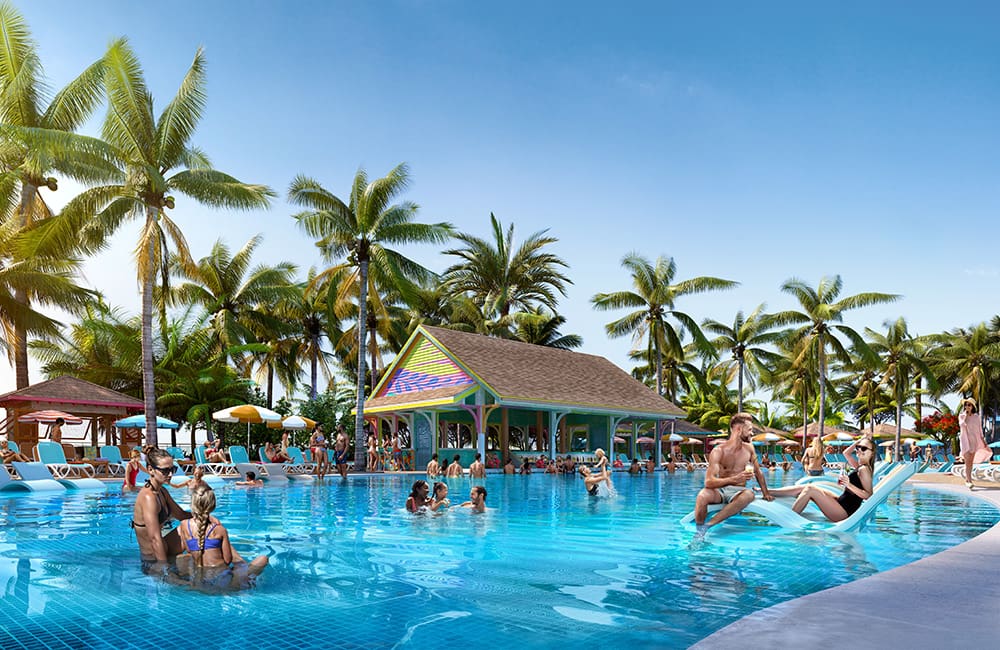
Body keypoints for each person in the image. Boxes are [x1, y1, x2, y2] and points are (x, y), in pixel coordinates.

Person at [693, 413, 773, 536]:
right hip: (720, 490)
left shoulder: (749, 449)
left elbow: (758, 472)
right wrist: (734, 479)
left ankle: (708, 525)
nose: (752, 433)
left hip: (739, 492)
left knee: (749, 494)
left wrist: (765, 493)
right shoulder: (719, 451)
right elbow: (708, 482)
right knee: (702, 496)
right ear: (739, 429)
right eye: (750, 430)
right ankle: (698, 533)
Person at [177, 484, 268, 589]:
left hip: (200, 579)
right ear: (213, 505)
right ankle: (241, 583)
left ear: (192, 504)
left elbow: (188, 550)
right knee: (262, 559)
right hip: (222, 578)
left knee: (181, 557)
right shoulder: (219, 529)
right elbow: (228, 560)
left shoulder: (184, 525)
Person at [768, 437, 876, 521]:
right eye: (859, 447)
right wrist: (859, 441)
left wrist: (849, 485)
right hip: (841, 503)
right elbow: (846, 453)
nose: (859, 450)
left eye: (864, 448)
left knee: (809, 489)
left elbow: (868, 496)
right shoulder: (860, 467)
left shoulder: (864, 470)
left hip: (843, 512)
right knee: (807, 487)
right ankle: (768, 491)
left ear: (872, 453)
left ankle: (789, 519)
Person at [132, 448, 202, 571]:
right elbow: (154, 538)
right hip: (153, 560)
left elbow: (181, 515)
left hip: (166, 549)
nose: (170, 474)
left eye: (172, 469)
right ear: (150, 470)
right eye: (165, 471)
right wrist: (164, 568)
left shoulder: (162, 491)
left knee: (196, 524)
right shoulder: (148, 498)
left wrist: (206, 517)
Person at [959, 398, 991, 489]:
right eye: (966, 405)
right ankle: (968, 480)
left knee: (970, 462)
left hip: (974, 441)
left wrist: (983, 441)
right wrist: (965, 415)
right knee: (967, 461)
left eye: (969, 405)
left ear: (972, 406)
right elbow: (962, 425)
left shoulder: (976, 417)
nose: (967, 406)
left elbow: (980, 430)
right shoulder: (961, 416)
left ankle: (968, 480)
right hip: (965, 440)